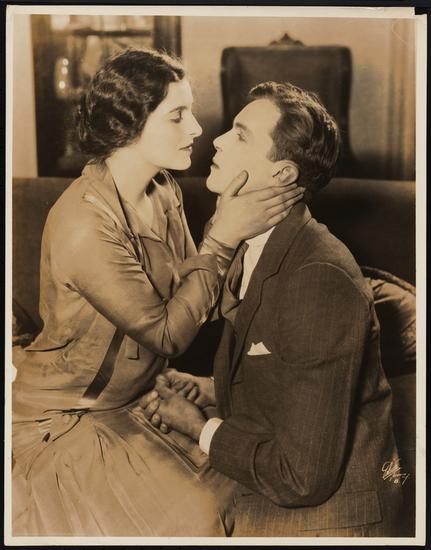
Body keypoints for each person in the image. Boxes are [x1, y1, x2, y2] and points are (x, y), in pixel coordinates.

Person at [11, 50, 304, 537]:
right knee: (198, 517)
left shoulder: (163, 187)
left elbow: (201, 298)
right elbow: (167, 334)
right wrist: (222, 237)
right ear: (127, 126)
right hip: (67, 415)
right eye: (177, 115)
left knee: (247, 486)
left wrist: (240, 228)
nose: (196, 129)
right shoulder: (82, 223)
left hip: (141, 395)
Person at [142, 81, 405, 537]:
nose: (217, 140)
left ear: (282, 174)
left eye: (240, 135)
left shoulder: (317, 278)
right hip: (277, 485)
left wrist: (200, 427)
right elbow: (290, 376)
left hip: (327, 520)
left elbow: (302, 477)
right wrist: (212, 389)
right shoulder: (255, 242)